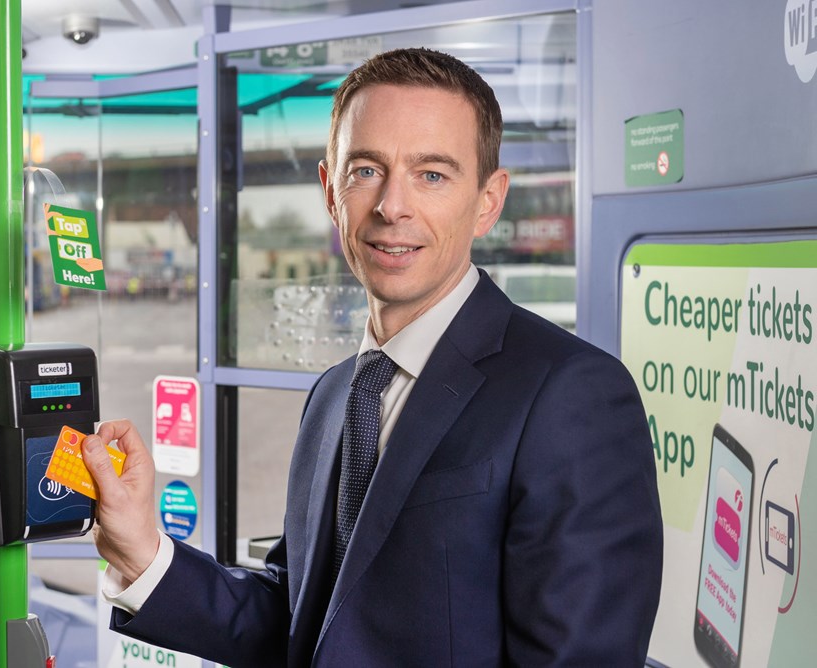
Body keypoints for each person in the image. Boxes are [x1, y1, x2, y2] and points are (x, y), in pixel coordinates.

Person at [82, 47, 663, 667]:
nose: (392, 206)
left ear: (489, 201)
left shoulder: (570, 394)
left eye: (432, 175)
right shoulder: (335, 396)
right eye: (365, 171)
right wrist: (142, 550)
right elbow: (304, 624)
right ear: (331, 191)